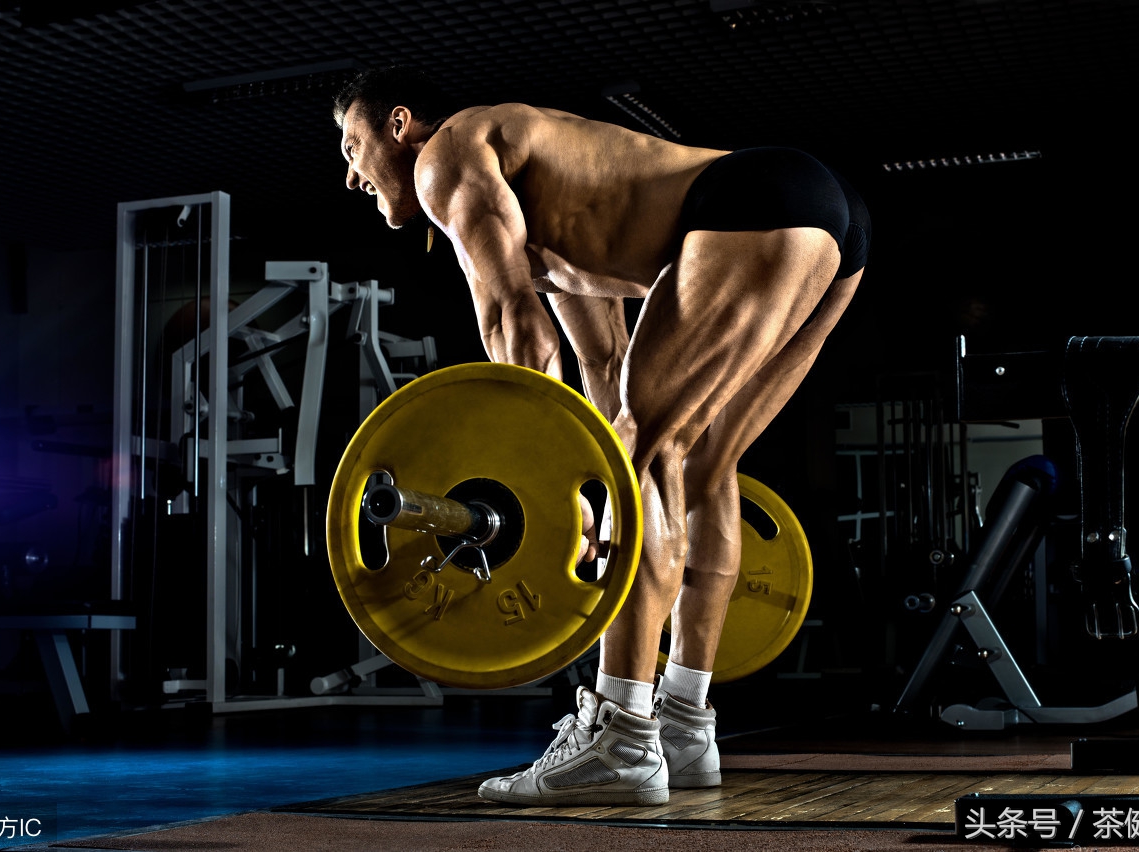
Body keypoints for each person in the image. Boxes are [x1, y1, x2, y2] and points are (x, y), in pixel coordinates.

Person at [331, 66, 870, 806]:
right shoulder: (551, 210)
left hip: (749, 203)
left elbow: (513, 323)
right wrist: (596, 472)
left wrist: (551, 494)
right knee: (699, 464)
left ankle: (620, 735)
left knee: (642, 457)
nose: (350, 174)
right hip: (827, 221)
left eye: (350, 145)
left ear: (398, 124)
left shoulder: (445, 155)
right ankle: (683, 722)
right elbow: (602, 366)